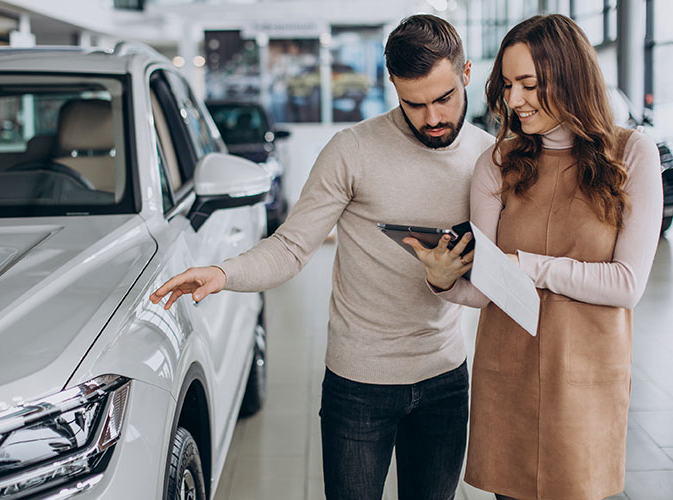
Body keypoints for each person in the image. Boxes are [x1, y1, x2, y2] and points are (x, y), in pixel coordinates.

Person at [150, 14, 494, 500]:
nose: (432, 118)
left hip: (445, 379)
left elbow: (500, 271)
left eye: (443, 99)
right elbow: (291, 246)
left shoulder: (489, 157)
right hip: (359, 385)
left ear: (466, 74)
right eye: (413, 104)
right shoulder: (351, 151)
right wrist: (225, 272)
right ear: (392, 84)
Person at [403, 14, 663, 500]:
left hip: (587, 379)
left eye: (530, 84)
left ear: (571, 77)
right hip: (509, 374)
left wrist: (529, 265)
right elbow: (484, 288)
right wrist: (442, 281)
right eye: (507, 84)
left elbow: (627, 284)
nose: (514, 101)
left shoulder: (632, 155)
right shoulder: (497, 163)